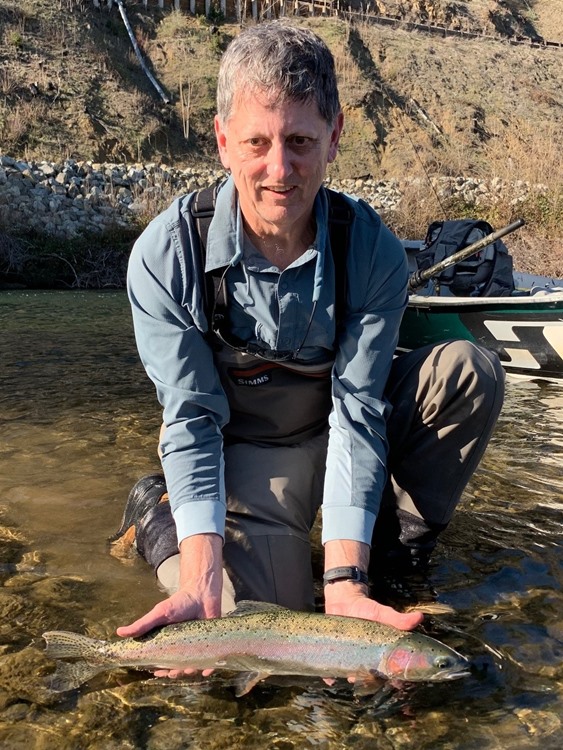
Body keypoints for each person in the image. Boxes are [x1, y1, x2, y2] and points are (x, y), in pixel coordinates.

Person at [113, 21, 504, 673]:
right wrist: (201, 577)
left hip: (334, 433)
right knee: (254, 630)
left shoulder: (371, 248)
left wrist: (348, 580)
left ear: (334, 138)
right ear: (221, 141)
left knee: (466, 370)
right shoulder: (166, 254)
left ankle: (390, 562)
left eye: (299, 142)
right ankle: (161, 516)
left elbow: (358, 411)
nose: (278, 169)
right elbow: (191, 419)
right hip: (243, 447)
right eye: (257, 143)